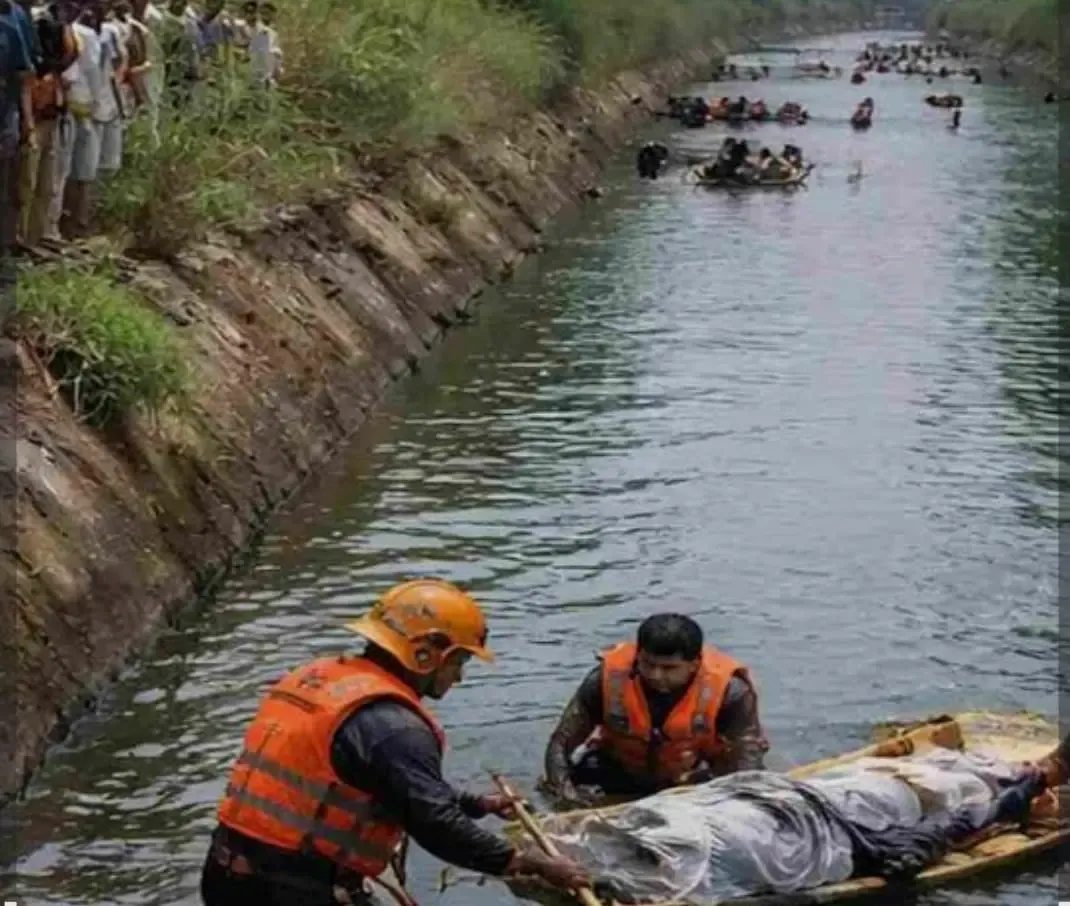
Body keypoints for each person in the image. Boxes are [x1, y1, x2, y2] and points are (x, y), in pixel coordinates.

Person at [201, 578, 590, 906]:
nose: (458, 678)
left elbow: (362, 782)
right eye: (459, 663)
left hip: (225, 872)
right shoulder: (396, 727)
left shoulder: (318, 680)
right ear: (426, 653)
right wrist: (523, 862)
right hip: (290, 890)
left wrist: (475, 805)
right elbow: (434, 824)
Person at [541, 614, 767, 806]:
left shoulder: (731, 692)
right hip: (617, 769)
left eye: (669, 668)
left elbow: (746, 753)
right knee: (559, 789)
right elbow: (562, 741)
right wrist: (565, 794)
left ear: (695, 664)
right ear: (638, 656)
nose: (656, 675)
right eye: (648, 664)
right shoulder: (605, 680)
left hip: (694, 775)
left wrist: (738, 802)